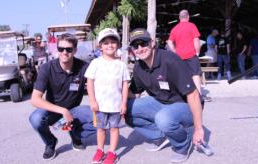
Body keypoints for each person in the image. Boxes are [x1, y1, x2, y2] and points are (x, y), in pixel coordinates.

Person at [126, 28, 204, 163]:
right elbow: (132, 93)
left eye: (143, 43)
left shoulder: (171, 60)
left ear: (152, 43)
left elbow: (193, 95)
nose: (140, 48)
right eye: (135, 46)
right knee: (125, 109)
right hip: (161, 103)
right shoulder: (138, 67)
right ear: (132, 49)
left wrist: (198, 129)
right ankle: (160, 135)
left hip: (186, 105)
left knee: (163, 118)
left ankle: (182, 144)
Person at [29, 33, 96, 160]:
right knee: (35, 118)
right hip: (53, 110)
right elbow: (35, 99)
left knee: (99, 116)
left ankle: (76, 135)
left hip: (74, 111)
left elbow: (100, 83)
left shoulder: (84, 67)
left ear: (75, 50)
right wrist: (62, 110)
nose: (64, 52)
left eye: (69, 49)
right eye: (61, 49)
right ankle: (50, 143)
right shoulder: (46, 68)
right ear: (56, 49)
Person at [85, 28, 130, 164]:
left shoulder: (121, 65)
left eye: (112, 42)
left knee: (114, 129)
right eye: (106, 43)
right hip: (99, 106)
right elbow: (90, 82)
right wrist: (92, 101)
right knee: (100, 129)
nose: (109, 45)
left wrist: (123, 103)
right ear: (100, 47)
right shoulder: (95, 63)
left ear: (117, 44)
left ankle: (112, 152)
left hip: (115, 106)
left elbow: (125, 85)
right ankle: (100, 150)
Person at [167, 9, 210, 101]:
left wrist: (174, 51)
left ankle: (182, 95)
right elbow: (196, 40)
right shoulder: (192, 26)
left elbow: (169, 42)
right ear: (188, 17)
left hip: (179, 56)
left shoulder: (175, 28)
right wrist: (197, 52)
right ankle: (198, 95)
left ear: (179, 18)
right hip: (191, 54)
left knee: (181, 75)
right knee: (195, 74)